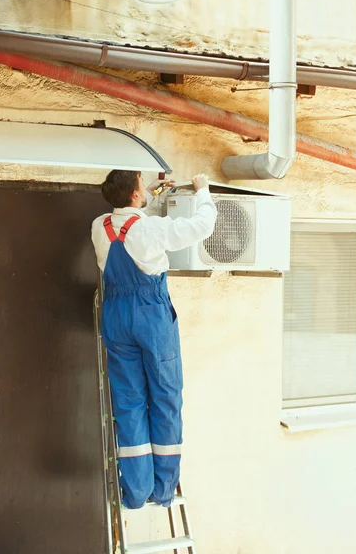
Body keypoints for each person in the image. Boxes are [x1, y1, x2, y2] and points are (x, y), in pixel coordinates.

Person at [91, 170, 217, 509]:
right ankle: (162, 490)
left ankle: (135, 491)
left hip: (116, 315)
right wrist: (203, 190)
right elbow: (202, 226)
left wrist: (146, 192)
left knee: (129, 402)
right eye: (140, 186)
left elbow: (127, 213)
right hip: (151, 315)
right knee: (165, 397)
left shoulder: (99, 226)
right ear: (134, 195)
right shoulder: (151, 228)